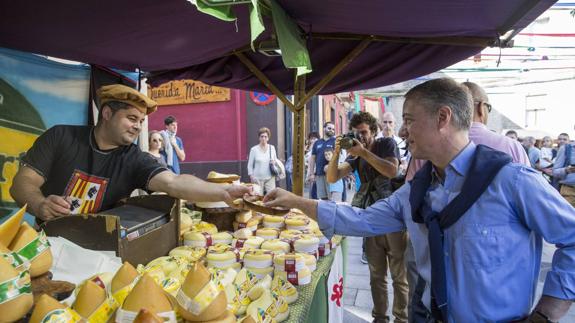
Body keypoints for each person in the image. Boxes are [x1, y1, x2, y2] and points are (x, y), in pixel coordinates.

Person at [264, 78, 575, 322]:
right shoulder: (417, 189)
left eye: (410, 120)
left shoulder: (512, 181)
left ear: (443, 117)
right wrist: (296, 201)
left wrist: (546, 313)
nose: (402, 130)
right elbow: (363, 219)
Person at [10, 84, 249, 221]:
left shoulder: (133, 158)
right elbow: (22, 183)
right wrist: (40, 204)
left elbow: (174, 183)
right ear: (106, 114)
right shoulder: (61, 137)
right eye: (131, 118)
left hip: (100, 249)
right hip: (48, 244)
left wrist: (225, 191)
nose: (137, 126)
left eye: (141, 121)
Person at [326, 111, 406, 323]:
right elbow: (333, 176)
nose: (359, 138)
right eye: (356, 133)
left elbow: (391, 170)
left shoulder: (386, 143)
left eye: (363, 133)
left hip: (395, 220)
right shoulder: (355, 156)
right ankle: (380, 318)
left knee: (399, 276)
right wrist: (336, 153)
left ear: (373, 130)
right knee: (376, 275)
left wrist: (363, 153)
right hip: (370, 220)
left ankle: (401, 318)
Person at [307, 122, 336, 200]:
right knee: (323, 199)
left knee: (332, 199)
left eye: (333, 129)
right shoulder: (317, 143)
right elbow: (313, 159)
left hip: (331, 175)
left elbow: (339, 157)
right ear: (324, 129)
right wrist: (312, 173)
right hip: (319, 174)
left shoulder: (335, 141)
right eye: (329, 128)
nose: (331, 130)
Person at [247, 127, 278, 195]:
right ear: (259, 138)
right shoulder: (254, 150)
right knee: (257, 198)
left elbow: (275, 160)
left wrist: (274, 162)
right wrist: (251, 176)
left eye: (265, 136)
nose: (263, 138)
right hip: (257, 179)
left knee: (271, 197)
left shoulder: (272, 148)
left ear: (268, 138)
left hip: (270, 178)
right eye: (262, 136)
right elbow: (250, 165)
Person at [553, 138, 575, 207]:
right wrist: (566, 170)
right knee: (568, 217)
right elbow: (555, 172)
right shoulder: (565, 149)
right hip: (569, 191)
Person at [305, 132, 320, 199]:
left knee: (315, 193)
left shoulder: (319, 147)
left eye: (314, 138)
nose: (312, 140)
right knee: (311, 193)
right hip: (310, 173)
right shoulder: (309, 148)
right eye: (311, 139)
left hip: (316, 172)